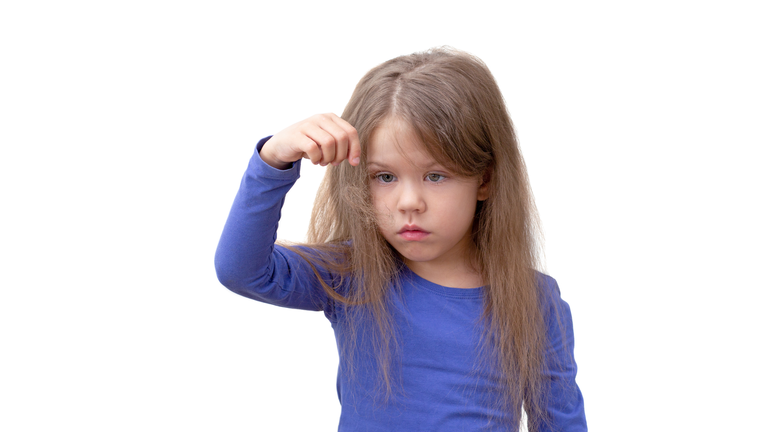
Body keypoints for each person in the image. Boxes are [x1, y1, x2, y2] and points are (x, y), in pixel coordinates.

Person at [215, 47, 587, 431]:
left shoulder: (534, 301)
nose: (409, 203)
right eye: (385, 177)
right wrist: (273, 160)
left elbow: (561, 423)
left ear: (485, 179)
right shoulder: (353, 275)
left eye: (436, 175)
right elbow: (241, 270)